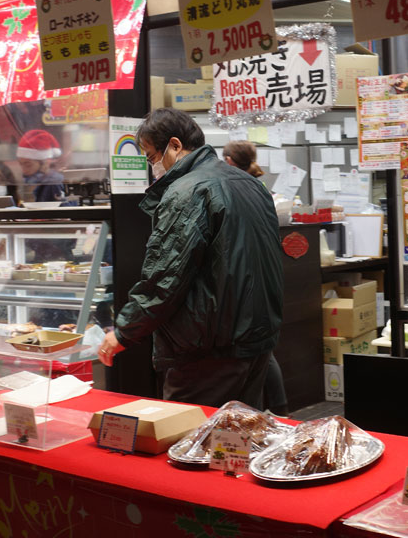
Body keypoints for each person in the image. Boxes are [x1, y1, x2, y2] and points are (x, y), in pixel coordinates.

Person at [98, 109, 284, 408]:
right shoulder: (250, 184)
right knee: (237, 432)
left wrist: (124, 332)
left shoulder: (188, 191)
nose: (152, 166)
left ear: (174, 145)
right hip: (257, 341)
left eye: (151, 157)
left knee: (192, 432)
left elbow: (165, 278)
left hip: (208, 351)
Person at [223, 140, 288, 415]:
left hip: (248, 277)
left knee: (261, 351)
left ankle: (270, 412)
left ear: (228, 161)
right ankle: (279, 410)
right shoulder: (258, 188)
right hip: (265, 273)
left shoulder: (235, 189)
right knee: (264, 350)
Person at [16, 129, 65, 203]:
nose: (24, 170)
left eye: (28, 165)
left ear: (45, 162)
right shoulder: (38, 183)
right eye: (21, 164)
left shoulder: (53, 184)